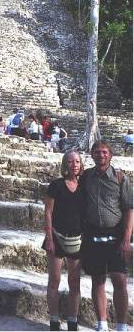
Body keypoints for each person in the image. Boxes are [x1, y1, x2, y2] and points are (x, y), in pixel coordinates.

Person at [80, 140, 133, 331]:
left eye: (104, 152)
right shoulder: (86, 177)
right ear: (92, 154)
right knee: (98, 279)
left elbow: (129, 209)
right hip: (93, 233)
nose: (100, 155)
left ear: (110, 155)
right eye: (97, 152)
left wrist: (127, 238)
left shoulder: (120, 178)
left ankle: (121, 325)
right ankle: (102, 323)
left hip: (116, 235)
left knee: (119, 279)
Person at [42, 150, 84, 331]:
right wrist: (49, 238)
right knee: (54, 280)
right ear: (64, 164)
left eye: (77, 161)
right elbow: (48, 212)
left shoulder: (86, 185)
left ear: (81, 165)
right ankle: (54, 320)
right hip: (57, 237)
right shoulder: (56, 185)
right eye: (70, 161)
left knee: (75, 282)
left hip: (78, 239)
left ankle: (73, 321)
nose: (74, 164)